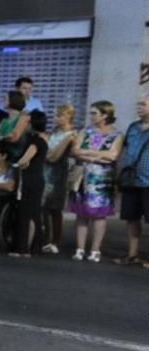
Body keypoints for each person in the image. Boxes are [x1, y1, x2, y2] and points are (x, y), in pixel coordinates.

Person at [69, 101, 124, 263]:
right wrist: (99, 155)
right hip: (83, 177)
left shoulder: (117, 134)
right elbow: (75, 151)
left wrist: (87, 154)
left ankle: (95, 250)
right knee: (81, 214)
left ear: (105, 115)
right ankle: (79, 248)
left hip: (103, 179)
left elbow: (113, 156)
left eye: (95, 113)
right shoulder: (85, 131)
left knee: (100, 215)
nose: (91, 116)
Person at [114, 95, 149, 266]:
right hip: (131, 179)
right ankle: (132, 254)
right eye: (139, 104)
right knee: (131, 219)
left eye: (143, 104)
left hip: (148, 181)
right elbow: (125, 149)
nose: (139, 107)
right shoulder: (133, 127)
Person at [9, 111, 48, 257]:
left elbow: (24, 160)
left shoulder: (36, 141)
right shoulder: (41, 140)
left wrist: (18, 163)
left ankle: (24, 247)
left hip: (31, 179)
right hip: (36, 178)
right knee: (33, 213)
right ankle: (31, 247)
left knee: (27, 213)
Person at [40, 105, 78, 254]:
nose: (56, 118)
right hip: (46, 171)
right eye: (56, 115)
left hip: (59, 173)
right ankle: (45, 238)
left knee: (55, 208)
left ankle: (55, 240)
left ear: (68, 116)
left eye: (60, 116)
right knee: (44, 207)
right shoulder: (54, 132)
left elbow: (53, 156)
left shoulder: (72, 135)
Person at [0, 90, 31, 163]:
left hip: (16, 158)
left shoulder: (23, 117)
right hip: (2, 159)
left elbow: (14, 138)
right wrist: (4, 137)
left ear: (13, 100)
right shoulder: (4, 120)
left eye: (5, 98)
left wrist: (1, 137)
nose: (3, 100)